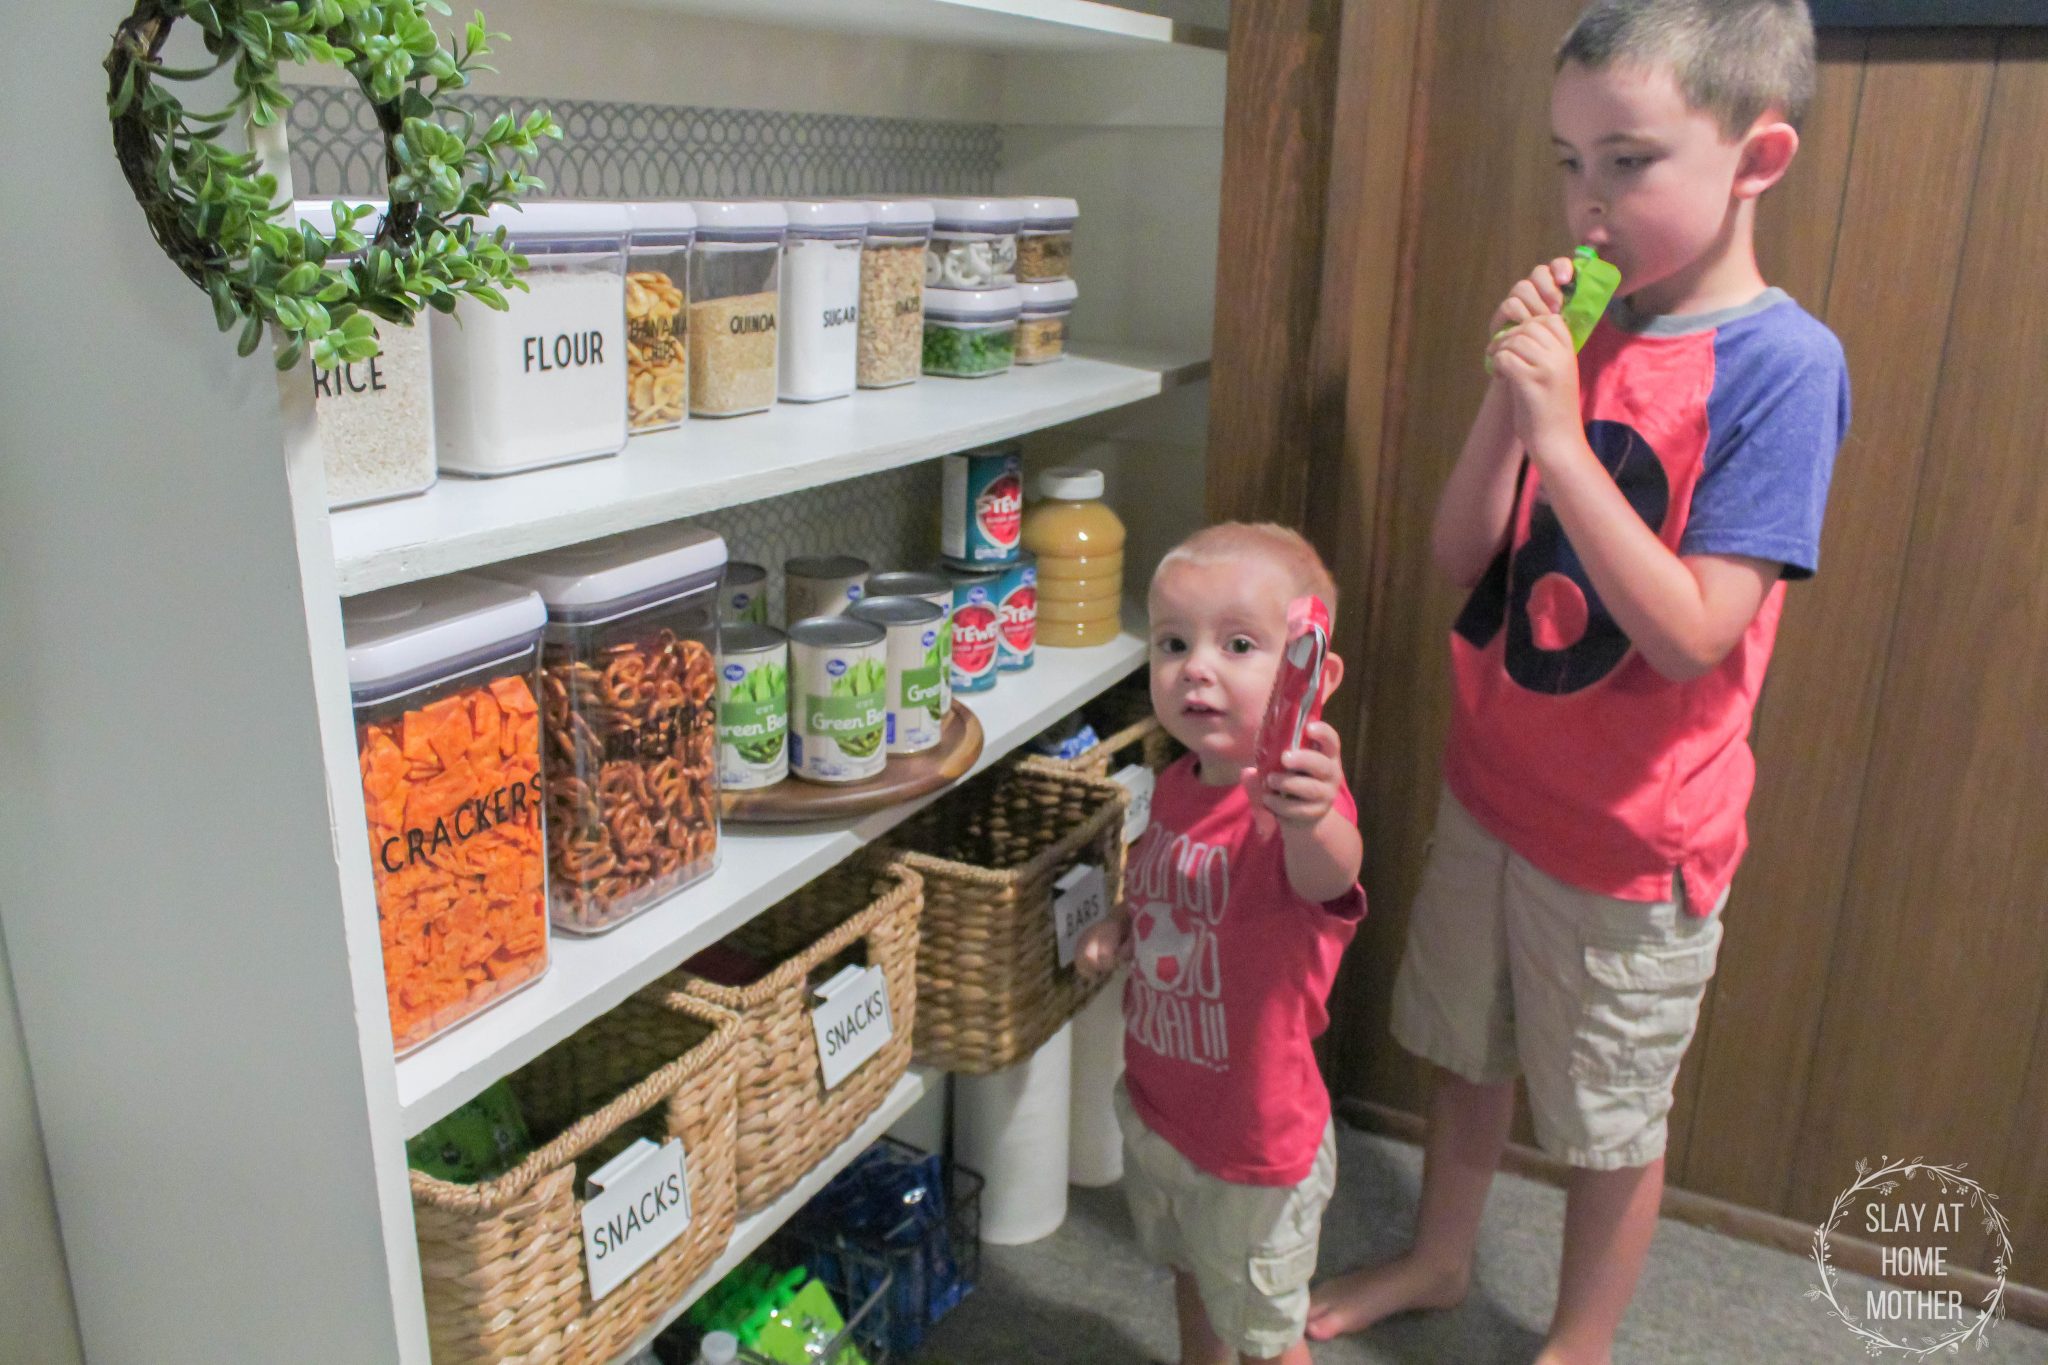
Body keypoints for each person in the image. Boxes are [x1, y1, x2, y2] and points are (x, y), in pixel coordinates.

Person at [1306, 2, 1850, 1362]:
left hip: (1632, 844)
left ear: (1757, 157)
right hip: (1495, 790)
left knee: (1609, 1116)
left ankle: (1582, 1337)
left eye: (1630, 160)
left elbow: (1691, 634)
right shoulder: (1583, 324)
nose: (1588, 201)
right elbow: (1455, 556)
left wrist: (1563, 428)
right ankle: (1440, 1258)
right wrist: (1513, 400)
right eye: (1568, 161)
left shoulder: (1786, 366)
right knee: (1463, 1049)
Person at [1075, 522, 1366, 1365]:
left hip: (1254, 1147)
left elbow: (1330, 877)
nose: (1196, 666)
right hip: (1168, 1111)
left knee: (1267, 1339)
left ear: (1312, 673)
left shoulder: (1291, 810)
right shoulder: (1173, 784)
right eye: (1174, 642)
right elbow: (1174, 897)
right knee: (1196, 1281)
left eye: (1239, 644)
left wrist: (1312, 816)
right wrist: (1122, 926)